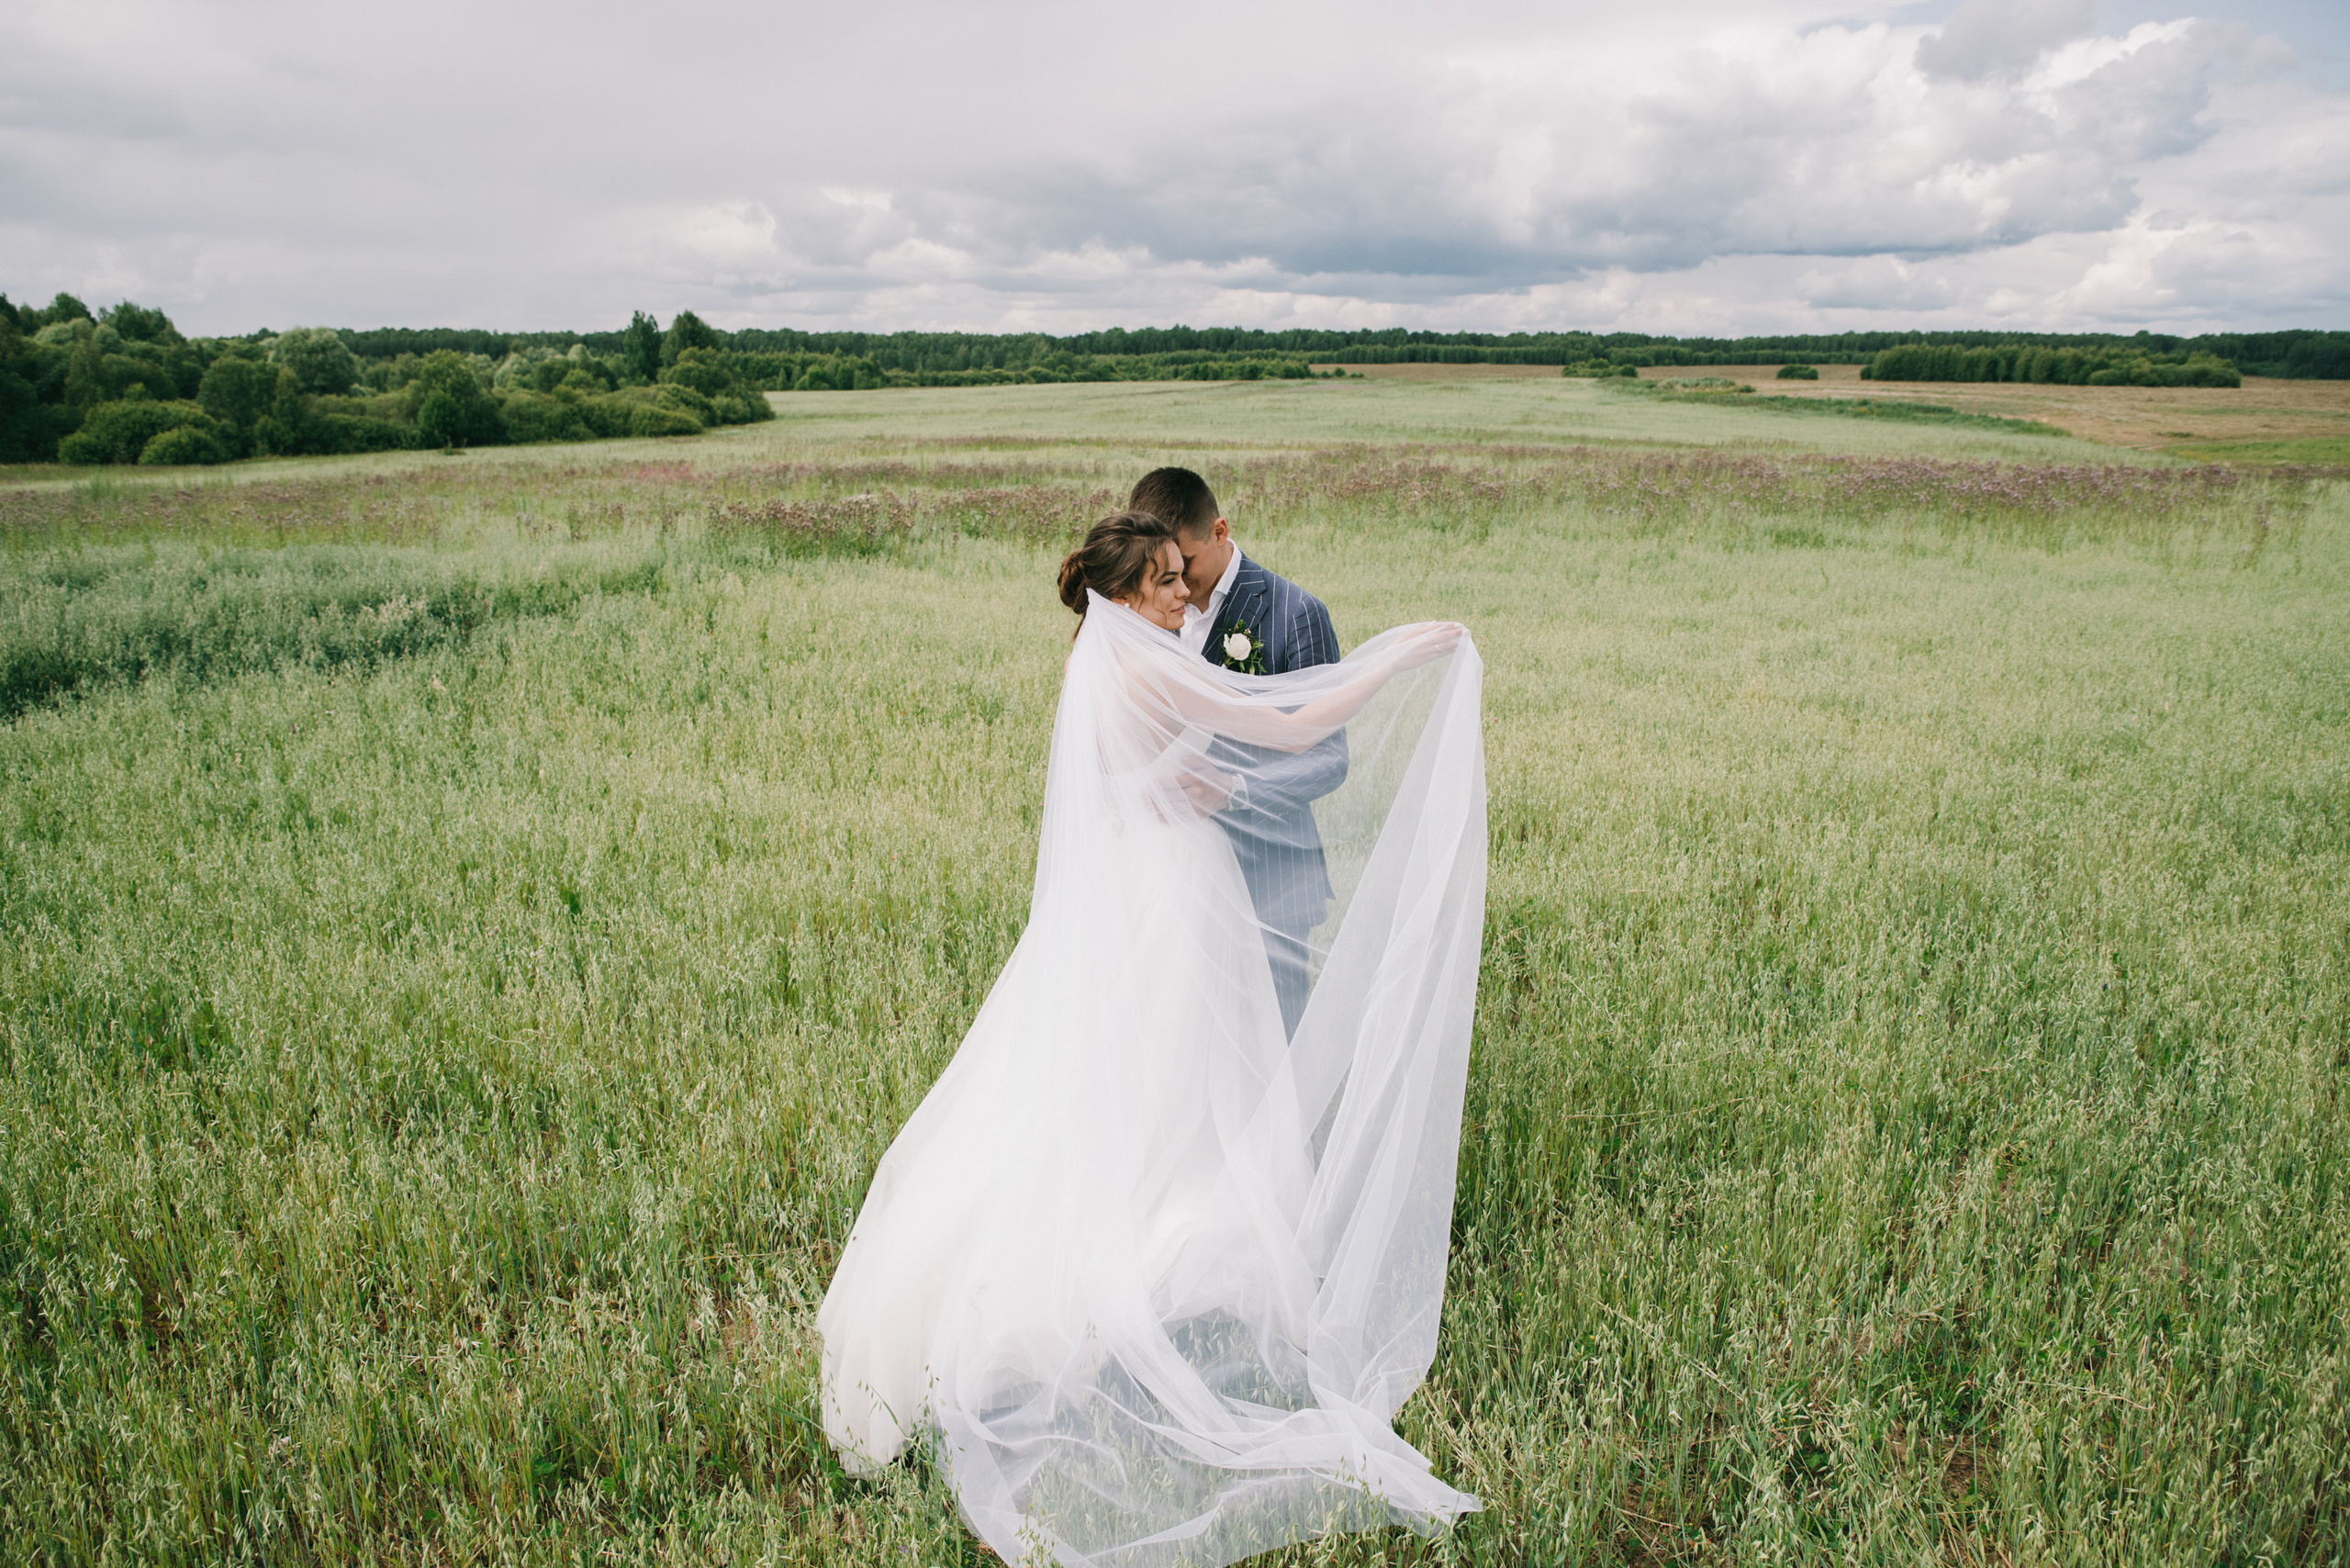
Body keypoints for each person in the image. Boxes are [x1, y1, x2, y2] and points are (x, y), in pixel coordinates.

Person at [819, 511, 1487, 1568]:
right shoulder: (1139, 660)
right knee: (1175, 1080)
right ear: (1126, 591)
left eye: (1185, 579)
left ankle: (1156, 1241)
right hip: (1168, 901)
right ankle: (1139, 1265)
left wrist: (1182, 785)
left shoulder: (1096, 658)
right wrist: (1403, 653)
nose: (1186, 599)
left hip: (1139, 889)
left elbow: (1133, 779)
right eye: (1170, 584)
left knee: (1145, 1083)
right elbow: (1283, 723)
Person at [1128, 467, 1344, 1036]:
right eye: (1163, 572)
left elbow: (1330, 758)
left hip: (1272, 883)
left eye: (1187, 566)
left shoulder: (1295, 613)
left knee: (1277, 1044)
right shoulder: (1146, 620)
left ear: (1220, 531)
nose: (1178, 585)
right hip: (1172, 886)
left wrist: (1235, 789)